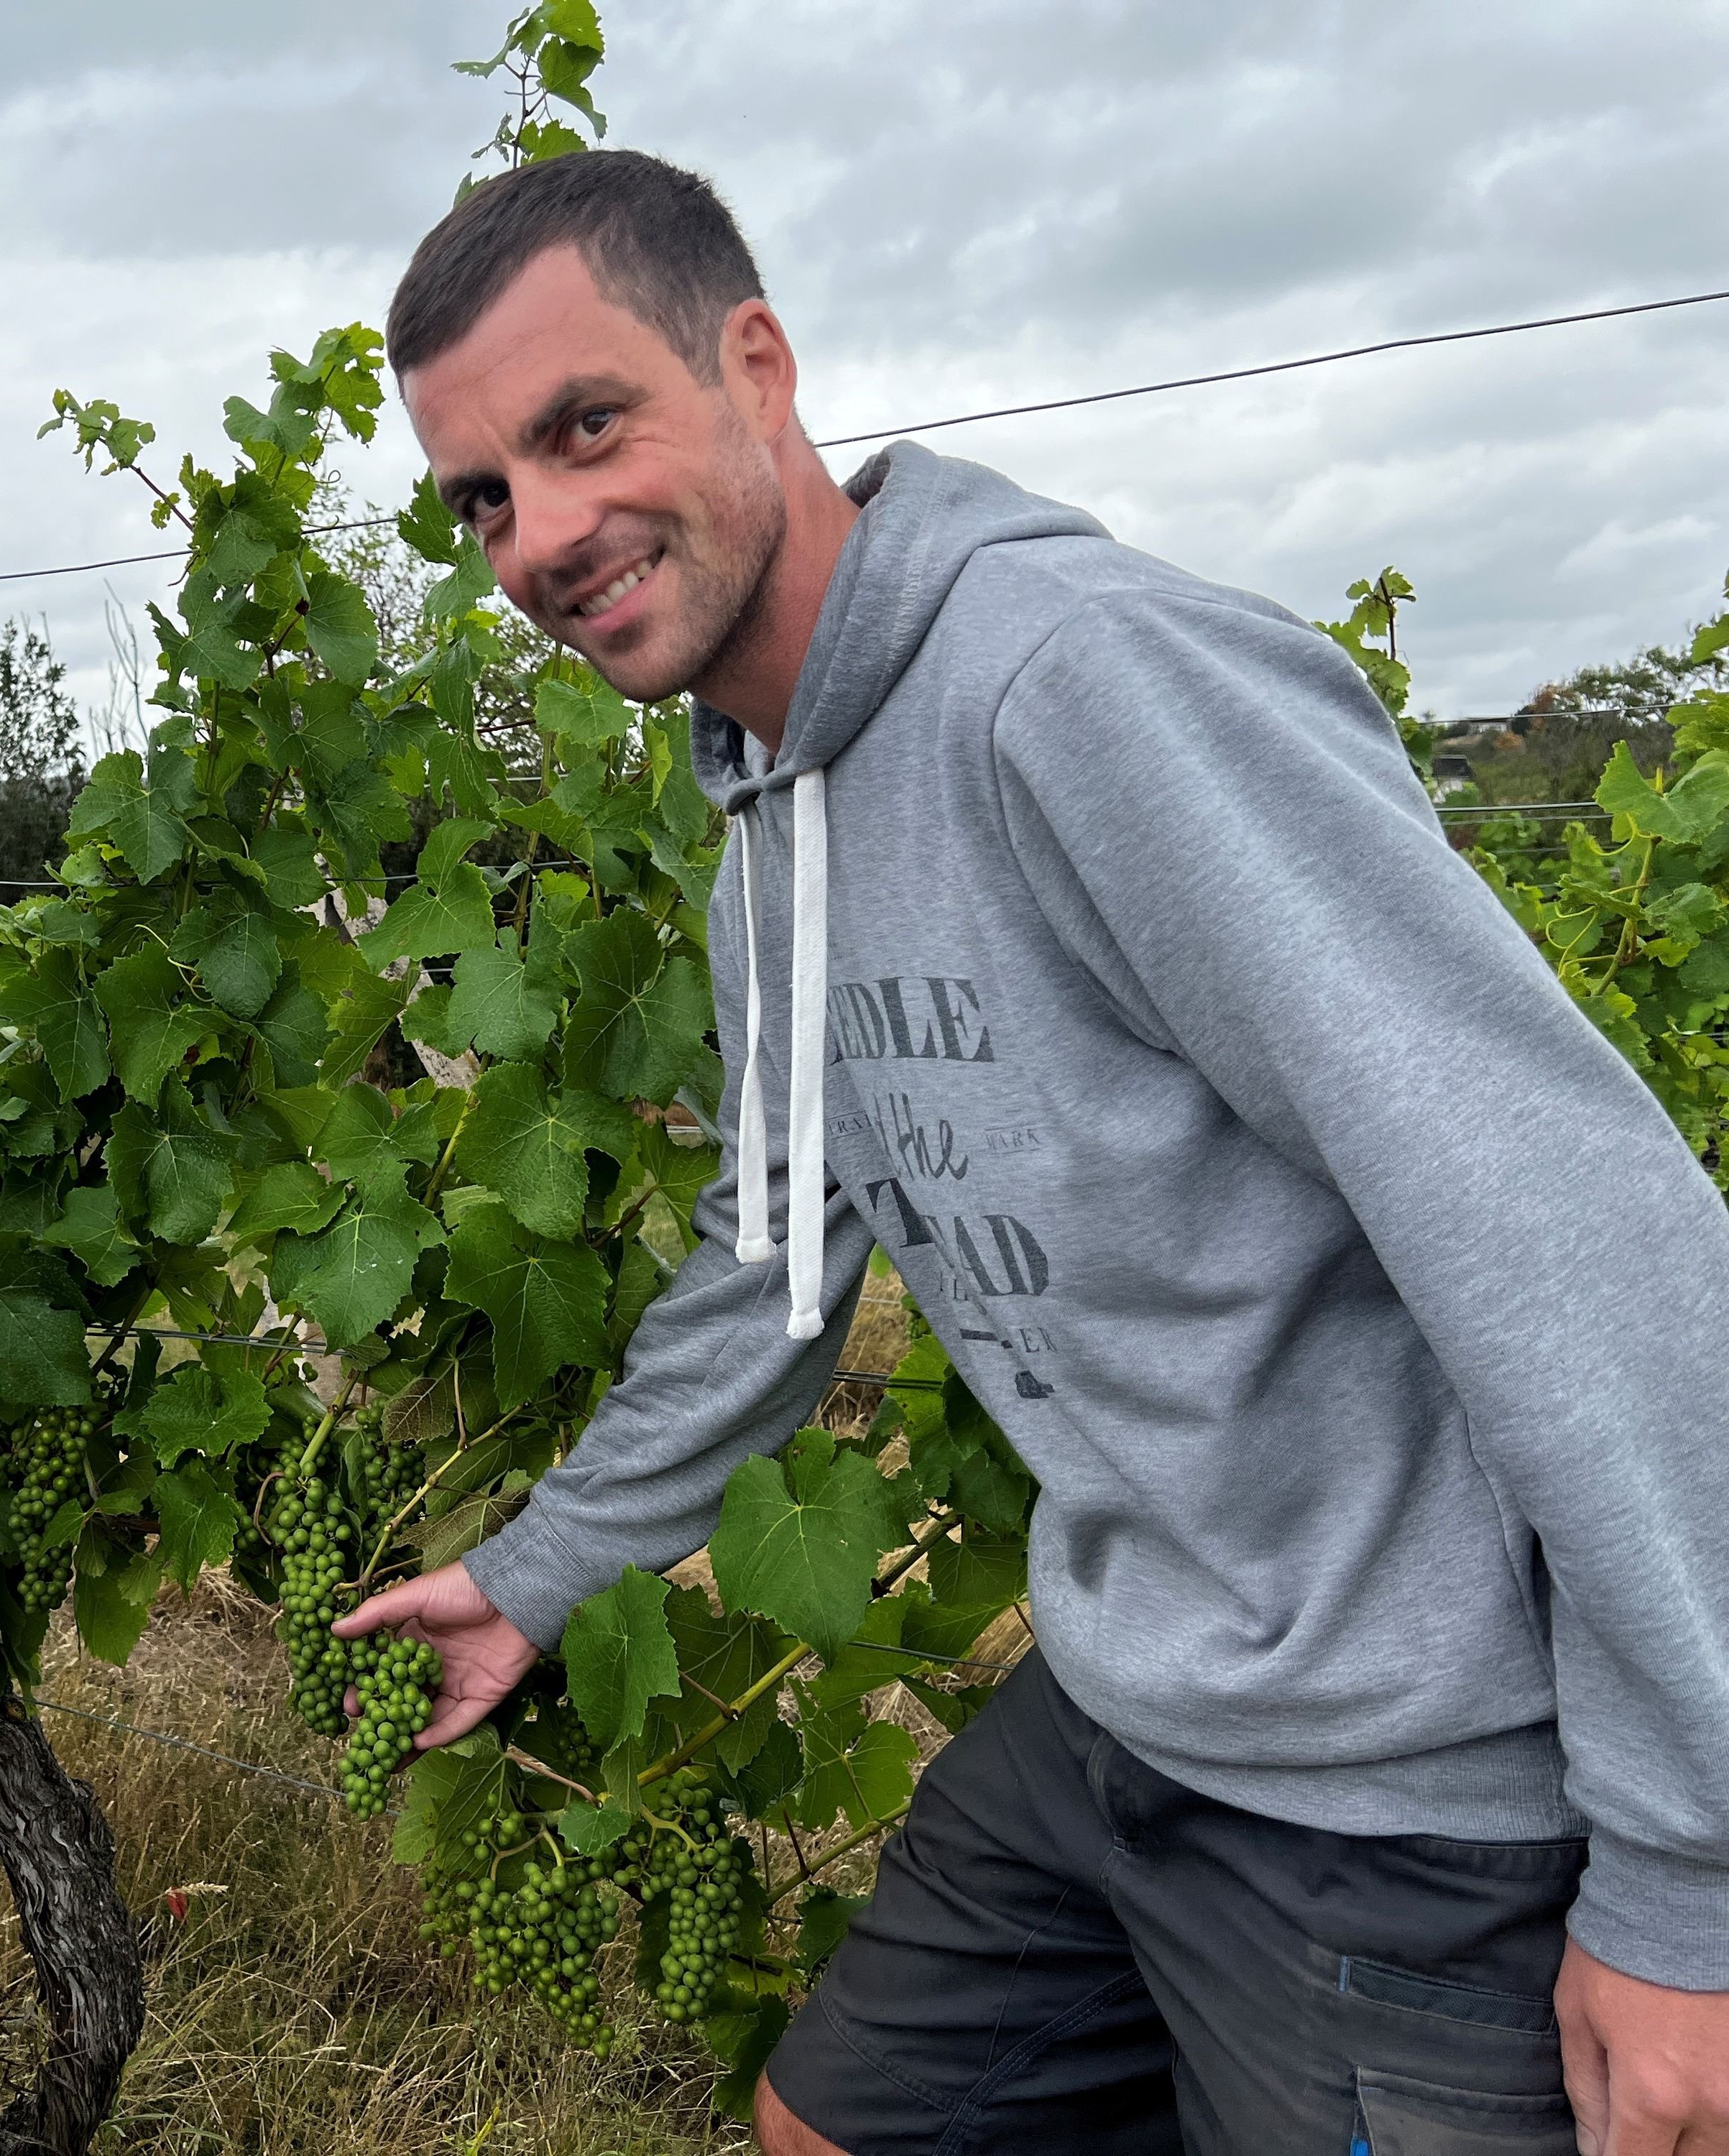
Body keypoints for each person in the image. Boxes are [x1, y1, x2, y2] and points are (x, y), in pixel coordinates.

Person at [338, 150, 1729, 2156]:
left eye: (584, 427)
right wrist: (547, 1569)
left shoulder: (1084, 689)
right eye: (485, 494)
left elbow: (1578, 1230)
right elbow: (774, 1264)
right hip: (1129, 1708)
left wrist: (1689, 1876)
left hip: (1406, 1794)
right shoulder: (766, 817)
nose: (543, 531)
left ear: (757, 362)